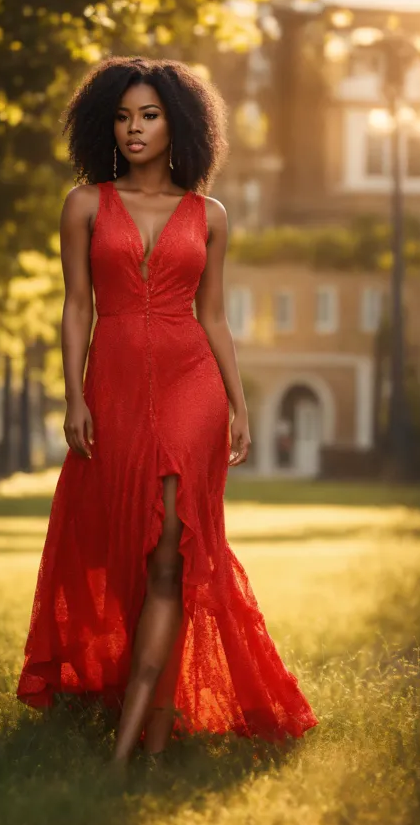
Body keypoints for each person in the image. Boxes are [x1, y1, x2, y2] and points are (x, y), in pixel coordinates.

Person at [16, 56, 318, 765]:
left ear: (177, 122)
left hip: (192, 384)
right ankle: (156, 716)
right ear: (104, 125)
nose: (133, 129)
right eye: (122, 117)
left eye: (148, 115)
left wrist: (238, 406)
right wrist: (73, 395)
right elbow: (75, 307)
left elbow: (213, 319)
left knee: (168, 554)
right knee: (124, 542)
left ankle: (132, 746)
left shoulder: (207, 215)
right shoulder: (85, 204)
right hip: (114, 381)